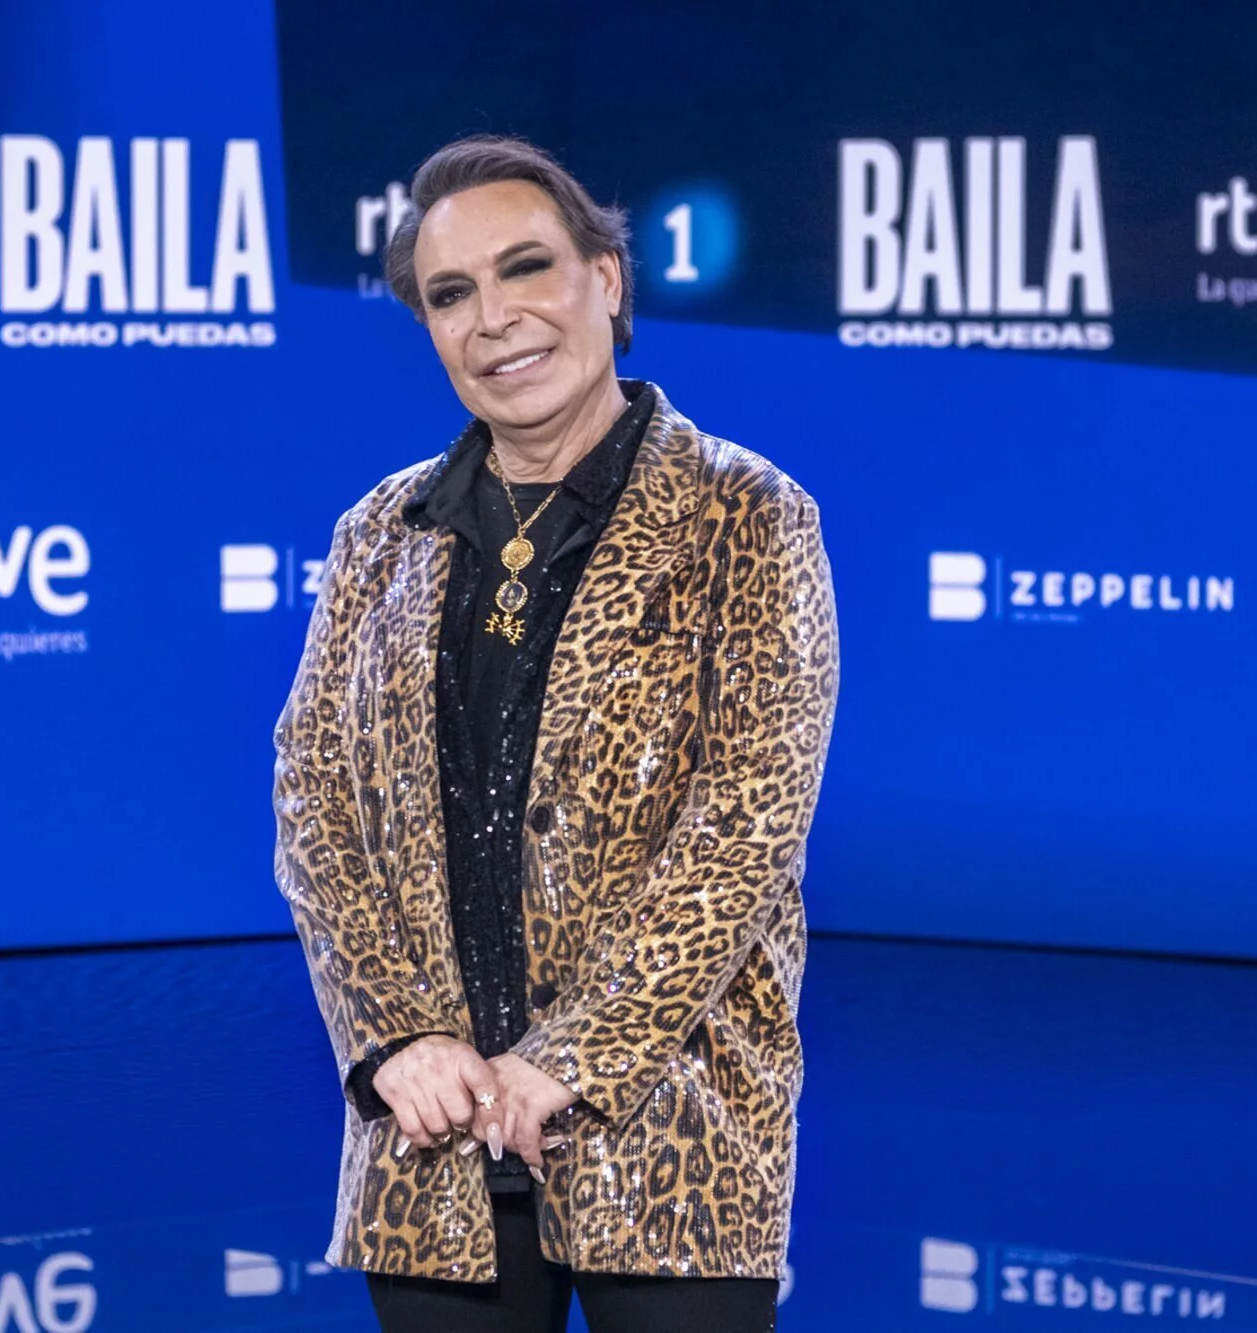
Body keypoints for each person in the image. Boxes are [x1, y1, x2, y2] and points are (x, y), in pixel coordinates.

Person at [272, 133, 839, 1333]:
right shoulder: (378, 535)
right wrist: (394, 1038)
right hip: (431, 1131)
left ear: (606, 278)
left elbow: (746, 822)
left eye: (524, 267)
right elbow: (315, 803)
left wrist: (572, 1053)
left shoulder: (746, 513)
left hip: (673, 1120)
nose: (493, 319)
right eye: (450, 294)